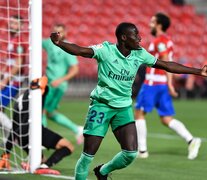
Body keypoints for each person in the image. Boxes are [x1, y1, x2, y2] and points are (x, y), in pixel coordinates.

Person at [50, 22, 207, 180]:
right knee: (87, 156)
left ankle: (103, 171)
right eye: (135, 35)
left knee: (131, 153)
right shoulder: (106, 50)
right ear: (124, 37)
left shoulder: (139, 53)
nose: (139, 38)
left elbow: (166, 65)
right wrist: (59, 43)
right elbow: (81, 50)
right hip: (101, 106)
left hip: (123, 108)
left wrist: (198, 71)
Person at [134, 13, 201, 160]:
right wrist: (169, 83)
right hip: (162, 84)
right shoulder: (168, 40)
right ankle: (191, 140)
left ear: (159, 25)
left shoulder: (159, 41)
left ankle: (142, 151)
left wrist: (170, 83)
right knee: (166, 118)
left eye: (152, 21)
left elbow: (165, 60)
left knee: (139, 113)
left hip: (152, 83)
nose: (150, 24)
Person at [0, 77, 74, 174]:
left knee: (41, 159)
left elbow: (14, 129)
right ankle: (44, 167)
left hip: (21, 136)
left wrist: (6, 153)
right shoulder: (38, 93)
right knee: (68, 146)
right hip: (35, 130)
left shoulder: (19, 99)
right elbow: (44, 87)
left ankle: (34, 164)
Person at [42, 23, 83, 145]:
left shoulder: (67, 47)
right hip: (49, 83)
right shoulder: (49, 43)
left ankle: (42, 138)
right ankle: (77, 129)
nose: (57, 34)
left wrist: (60, 80)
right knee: (49, 113)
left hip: (57, 85)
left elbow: (75, 69)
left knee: (42, 110)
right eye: (55, 31)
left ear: (65, 33)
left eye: (60, 32)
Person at [0, 15, 27, 144]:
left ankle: (13, 135)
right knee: (2, 109)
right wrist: (2, 73)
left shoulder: (19, 41)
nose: (12, 25)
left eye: (15, 23)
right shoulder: (13, 40)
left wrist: (5, 80)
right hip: (8, 79)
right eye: (11, 22)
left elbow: (18, 64)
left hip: (14, 81)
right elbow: (9, 62)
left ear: (21, 26)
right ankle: (7, 140)